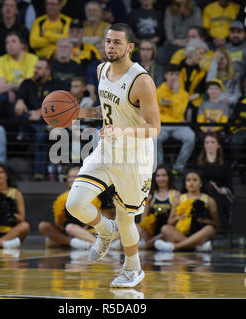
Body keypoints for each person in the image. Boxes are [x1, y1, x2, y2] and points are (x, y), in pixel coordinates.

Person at [65, 23, 161, 288]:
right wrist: (82, 113)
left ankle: (133, 268)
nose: (111, 46)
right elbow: (106, 108)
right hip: (106, 150)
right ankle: (104, 230)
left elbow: (154, 128)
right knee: (74, 204)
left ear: (130, 47)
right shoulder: (101, 69)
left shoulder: (142, 81)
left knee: (125, 216)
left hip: (134, 157)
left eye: (117, 42)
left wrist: (123, 130)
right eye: (108, 41)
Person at [14, 58, 63, 181]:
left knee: (42, 134)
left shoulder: (56, 84)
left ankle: (39, 173)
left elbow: (59, 105)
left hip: (48, 119)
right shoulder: (27, 83)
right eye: (35, 68)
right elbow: (20, 101)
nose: (35, 71)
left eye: (39, 68)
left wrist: (40, 113)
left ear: (48, 71)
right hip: (29, 120)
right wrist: (19, 102)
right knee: (38, 128)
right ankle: (41, 172)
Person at [154, 169, 219, 252]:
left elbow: (216, 224)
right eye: (188, 180)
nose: (191, 183)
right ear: (185, 183)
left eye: (195, 180)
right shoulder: (179, 199)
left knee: (210, 229)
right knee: (165, 228)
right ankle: (198, 247)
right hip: (181, 233)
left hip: (199, 233)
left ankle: (175, 247)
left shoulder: (209, 200)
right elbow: (170, 222)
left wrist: (204, 220)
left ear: (201, 183)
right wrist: (178, 218)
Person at [38, 166, 103, 249]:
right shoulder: (62, 198)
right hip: (70, 230)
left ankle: (96, 244)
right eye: (70, 177)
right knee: (45, 228)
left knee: (65, 232)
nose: (72, 179)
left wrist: (81, 230)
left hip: (88, 230)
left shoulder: (91, 195)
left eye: (75, 177)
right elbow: (59, 222)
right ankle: (81, 243)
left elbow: (96, 219)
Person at [156, 64, 195, 175]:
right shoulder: (158, 92)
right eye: (171, 74)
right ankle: (160, 167)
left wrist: (176, 94)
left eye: (177, 75)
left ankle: (178, 167)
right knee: (154, 138)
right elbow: (157, 114)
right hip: (163, 125)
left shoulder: (183, 93)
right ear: (166, 75)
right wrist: (172, 119)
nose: (174, 77)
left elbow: (179, 113)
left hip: (179, 126)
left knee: (190, 137)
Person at [0, 31, 38, 119]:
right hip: (8, 96)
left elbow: (28, 86)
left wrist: (10, 86)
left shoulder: (32, 58)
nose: (10, 45)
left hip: (27, 96)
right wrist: (10, 89)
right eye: (7, 42)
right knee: (1, 98)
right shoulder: (1, 60)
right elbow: (0, 88)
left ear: (22, 45)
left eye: (13, 41)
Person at [194, 133, 233, 232]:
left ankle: (219, 226)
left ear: (218, 145)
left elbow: (229, 187)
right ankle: (220, 225)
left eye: (212, 142)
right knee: (209, 189)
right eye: (207, 142)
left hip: (219, 194)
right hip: (201, 193)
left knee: (216, 195)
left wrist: (220, 189)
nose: (209, 145)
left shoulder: (225, 164)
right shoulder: (197, 164)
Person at [137, 166, 178, 249]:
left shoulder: (175, 194)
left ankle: (146, 245)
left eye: (164, 175)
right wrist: (147, 204)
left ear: (169, 177)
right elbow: (143, 221)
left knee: (166, 230)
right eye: (158, 176)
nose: (161, 178)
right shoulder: (150, 195)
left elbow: (171, 223)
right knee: (136, 227)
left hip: (167, 231)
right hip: (152, 232)